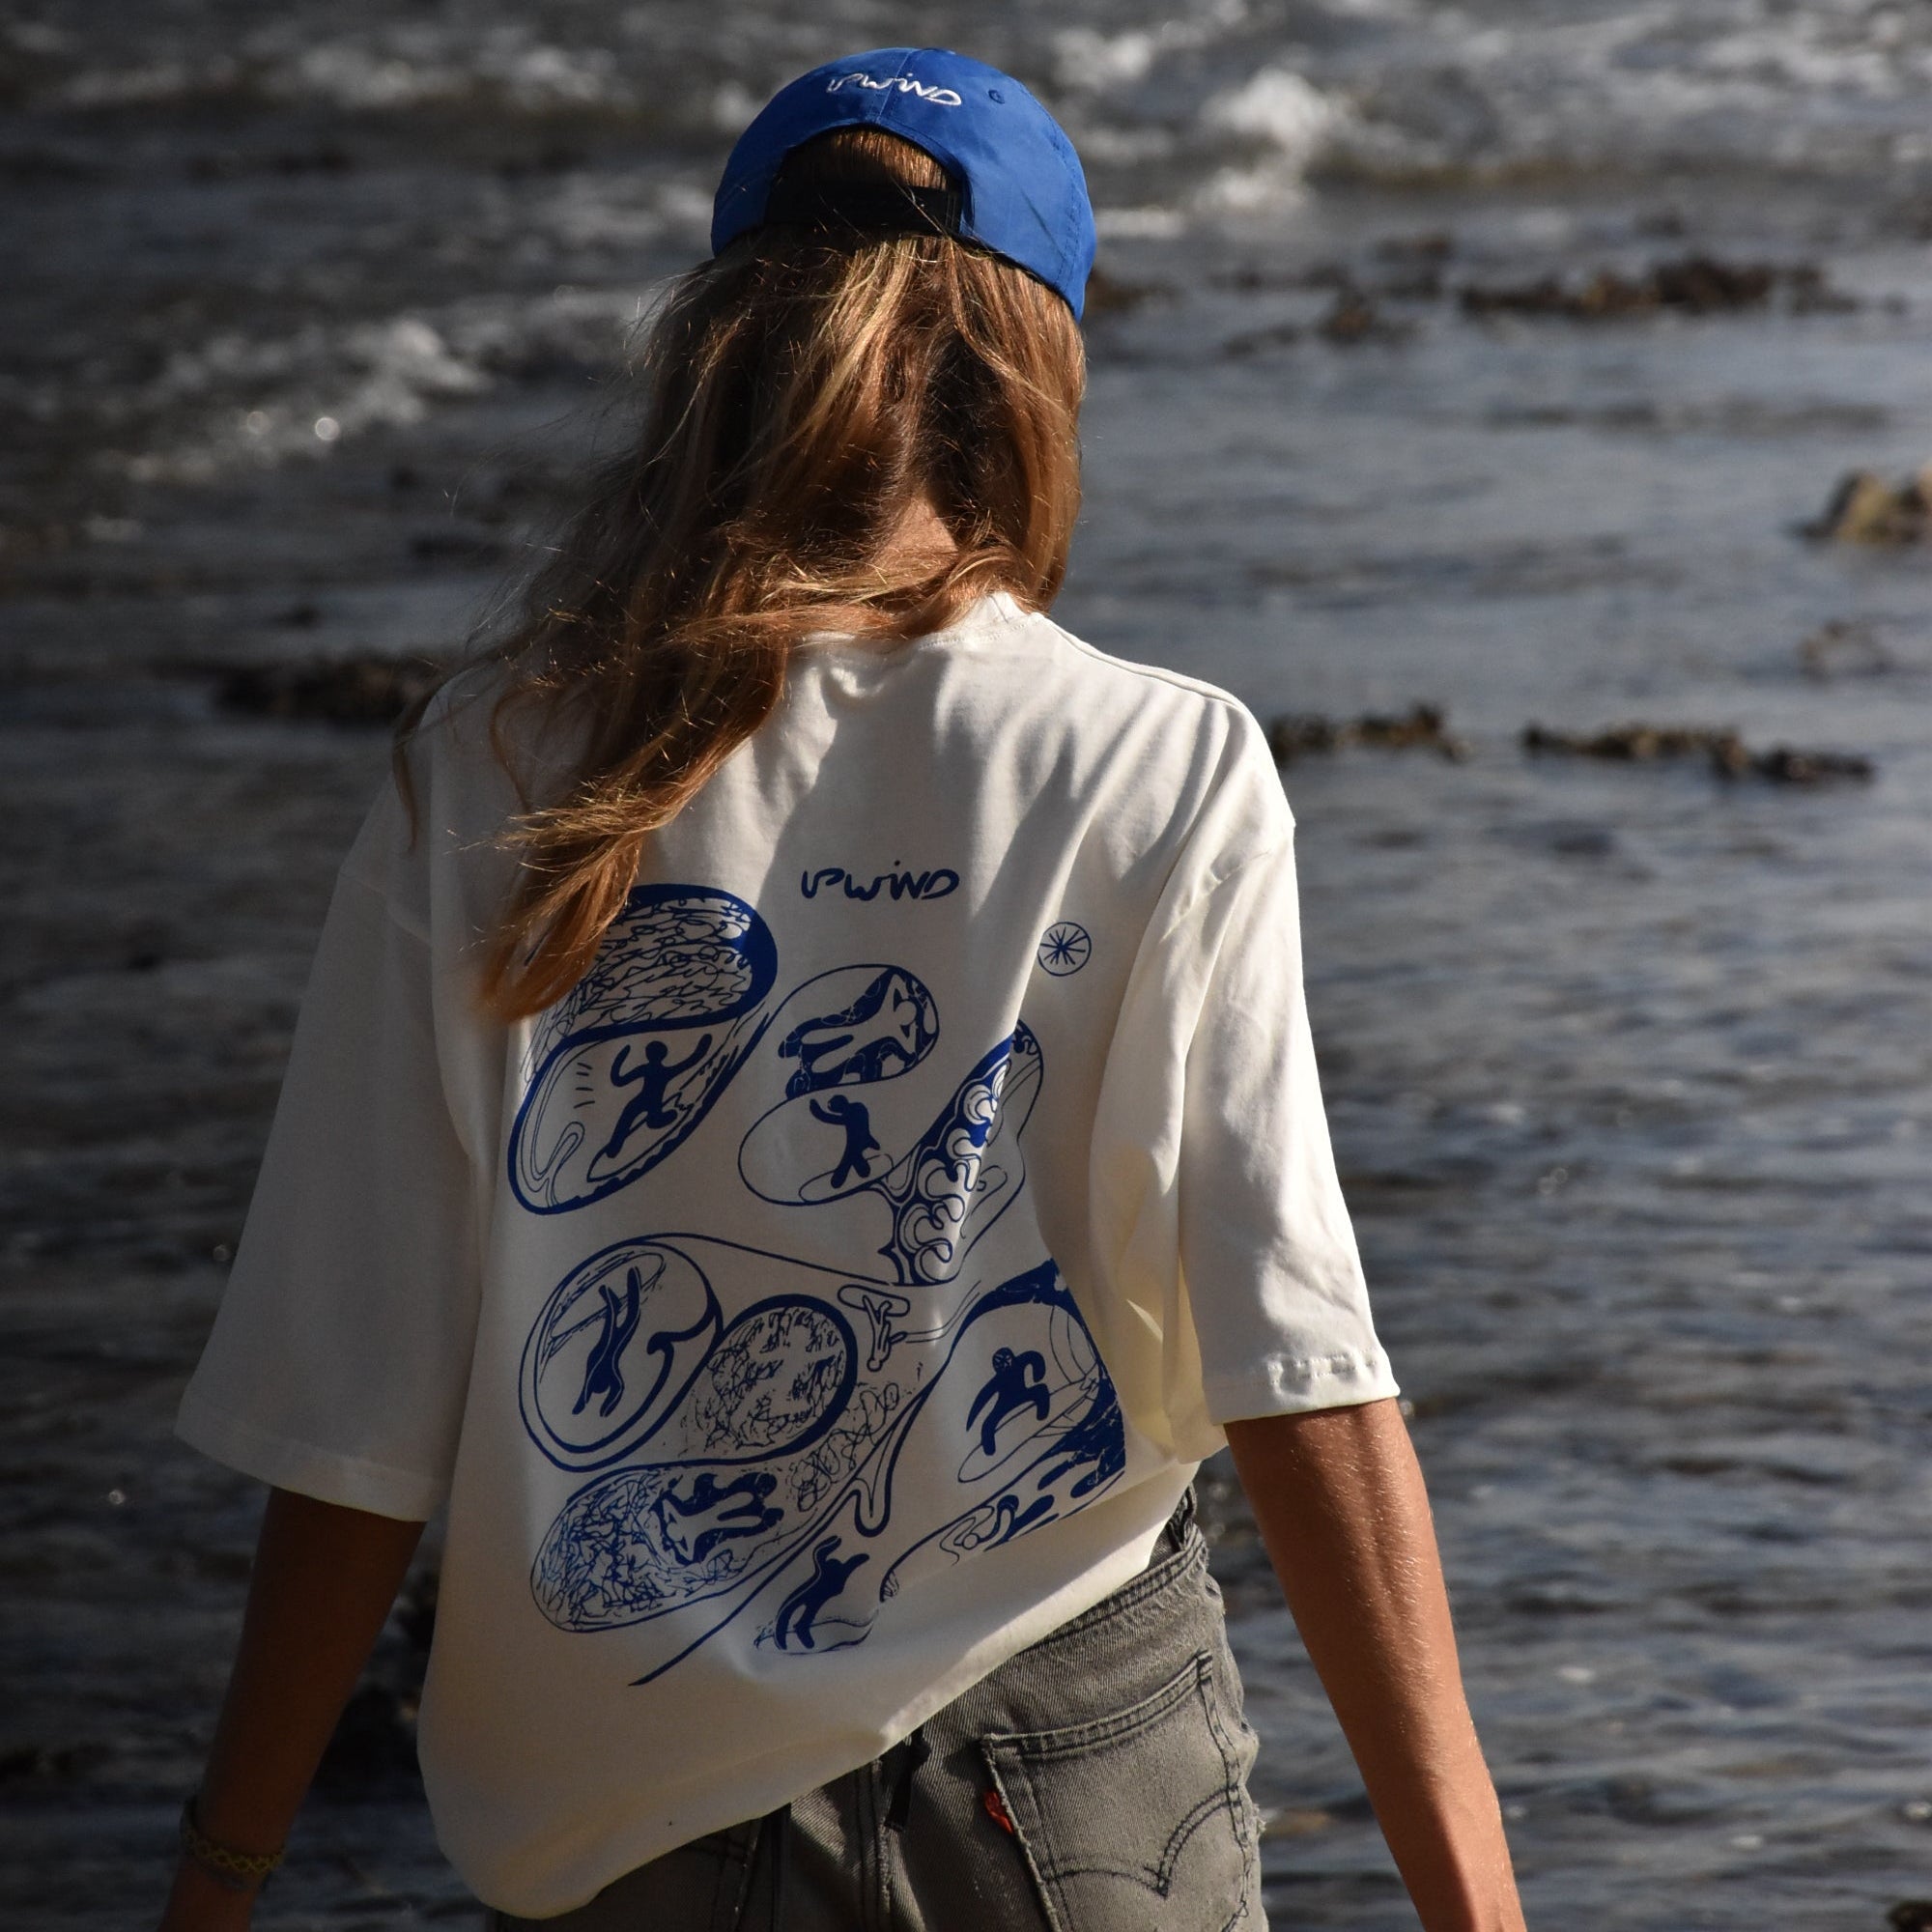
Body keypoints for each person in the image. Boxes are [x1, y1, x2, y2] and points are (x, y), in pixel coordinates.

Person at [158, 47, 1526, 1932]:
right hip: (1066, 1783)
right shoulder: (1157, 764)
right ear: (1040, 362)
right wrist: (1477, 1906)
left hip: (621, 1816)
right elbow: (1297, 1376)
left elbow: (356, 1418)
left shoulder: (493, 764)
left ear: (720, 337)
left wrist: (220, 1871)